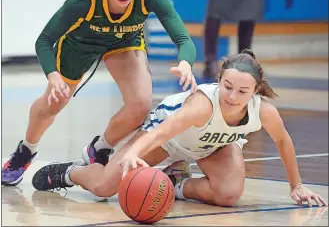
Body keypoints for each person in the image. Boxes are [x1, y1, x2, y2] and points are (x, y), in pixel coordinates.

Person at [1, 0, 197, 186]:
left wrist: (185, 63)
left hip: (123, 42)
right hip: (79, 45)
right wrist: (53, 75)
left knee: (141, 104)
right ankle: (26, 150)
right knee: (53, 103)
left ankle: (99, 149)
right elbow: (43, 41)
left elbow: (183, 38)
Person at [32, 50, 327, 208]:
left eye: (242, 91)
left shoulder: (264, 111)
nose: (232, 97)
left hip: (214, 146)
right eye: (227, 87)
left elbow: (284, 141)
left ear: (256, 90)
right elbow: (162, 132)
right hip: (169, 139)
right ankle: (70, 172)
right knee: (103, 188)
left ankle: (175, 184)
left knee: (228, 195)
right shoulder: (202, 105)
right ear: (219, 79)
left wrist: (296, 186)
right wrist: (133, 153)